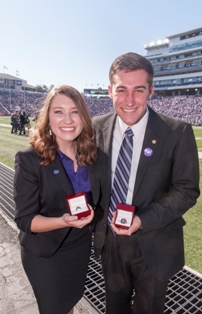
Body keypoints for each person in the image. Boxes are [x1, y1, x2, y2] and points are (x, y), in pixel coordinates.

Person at [93, 52, 200, 314]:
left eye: (138, 90)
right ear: (110, 91)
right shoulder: (95, 127)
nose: (130, 101)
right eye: (121, 90)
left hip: (154, 242)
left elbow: (187, 190)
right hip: (110, 241)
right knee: (114, 309)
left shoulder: (177, 131)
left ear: (151, 91)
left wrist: (143, 219)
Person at [14, 85, 100, 314]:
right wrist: (64, 220)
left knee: (69, 302)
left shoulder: (91, 155)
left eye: (74, 111)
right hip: (45, 252)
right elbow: (25, 220)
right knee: (53, 308)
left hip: (79, 247)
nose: (67, 119)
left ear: (83, 116)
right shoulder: (29, 159)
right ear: (48, 118)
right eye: (59, 111)